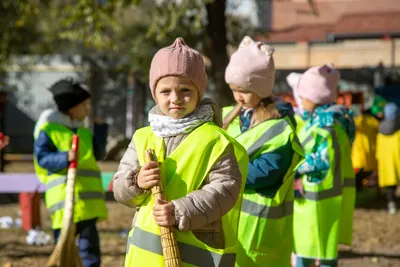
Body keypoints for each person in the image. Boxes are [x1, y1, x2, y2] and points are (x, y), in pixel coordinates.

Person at [112, 37, 248, 267]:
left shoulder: (216, 140)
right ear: (155, 94)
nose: (175, 99)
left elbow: (225, 190)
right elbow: (119, 189)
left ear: (199, 91)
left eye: (185, 90)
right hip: (146, 258)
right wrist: (137, 181)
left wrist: (179, 210)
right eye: (165, 91)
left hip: (193, 255)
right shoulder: (142, 137)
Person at [223, 36, 304, 267]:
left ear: (261, 88)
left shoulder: (279, 126)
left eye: (245, 90)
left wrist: (227, 176)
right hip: (232, 221)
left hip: (260, 226)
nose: (238, 96)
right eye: (233, 89)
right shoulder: (230, 116)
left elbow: (268, 171)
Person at [33, 78, 108, 267]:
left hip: (88, 204)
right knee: (64, 245)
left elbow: (98, 153)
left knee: (90, 247)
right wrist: (65, 157)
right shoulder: (49, 131)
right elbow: (42, 159)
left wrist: (100, 130)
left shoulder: (84, 133)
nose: (87, 109)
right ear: (72, 108)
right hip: (64, 204)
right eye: (84, 105)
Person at [292, 65, 356, 267]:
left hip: (319, 200)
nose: (300, 101)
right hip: (317, 200)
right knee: (310, 247)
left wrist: (292, 166)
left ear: (316, 97)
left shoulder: (326, 127)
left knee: (315, 250)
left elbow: (321, 160)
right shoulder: (323, 122)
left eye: (303, 97)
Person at [351, 95, 386, 191]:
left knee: (361, 177)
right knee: (363, 176)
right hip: (367, 156)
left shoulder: (361, 120)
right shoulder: (373, 122)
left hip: (362, 156)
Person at [376, 102, 400, 215]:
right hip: (397, 160)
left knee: (390, 185)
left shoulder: (380, 129)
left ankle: (391, 205)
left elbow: (379, 150)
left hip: (387, 162)